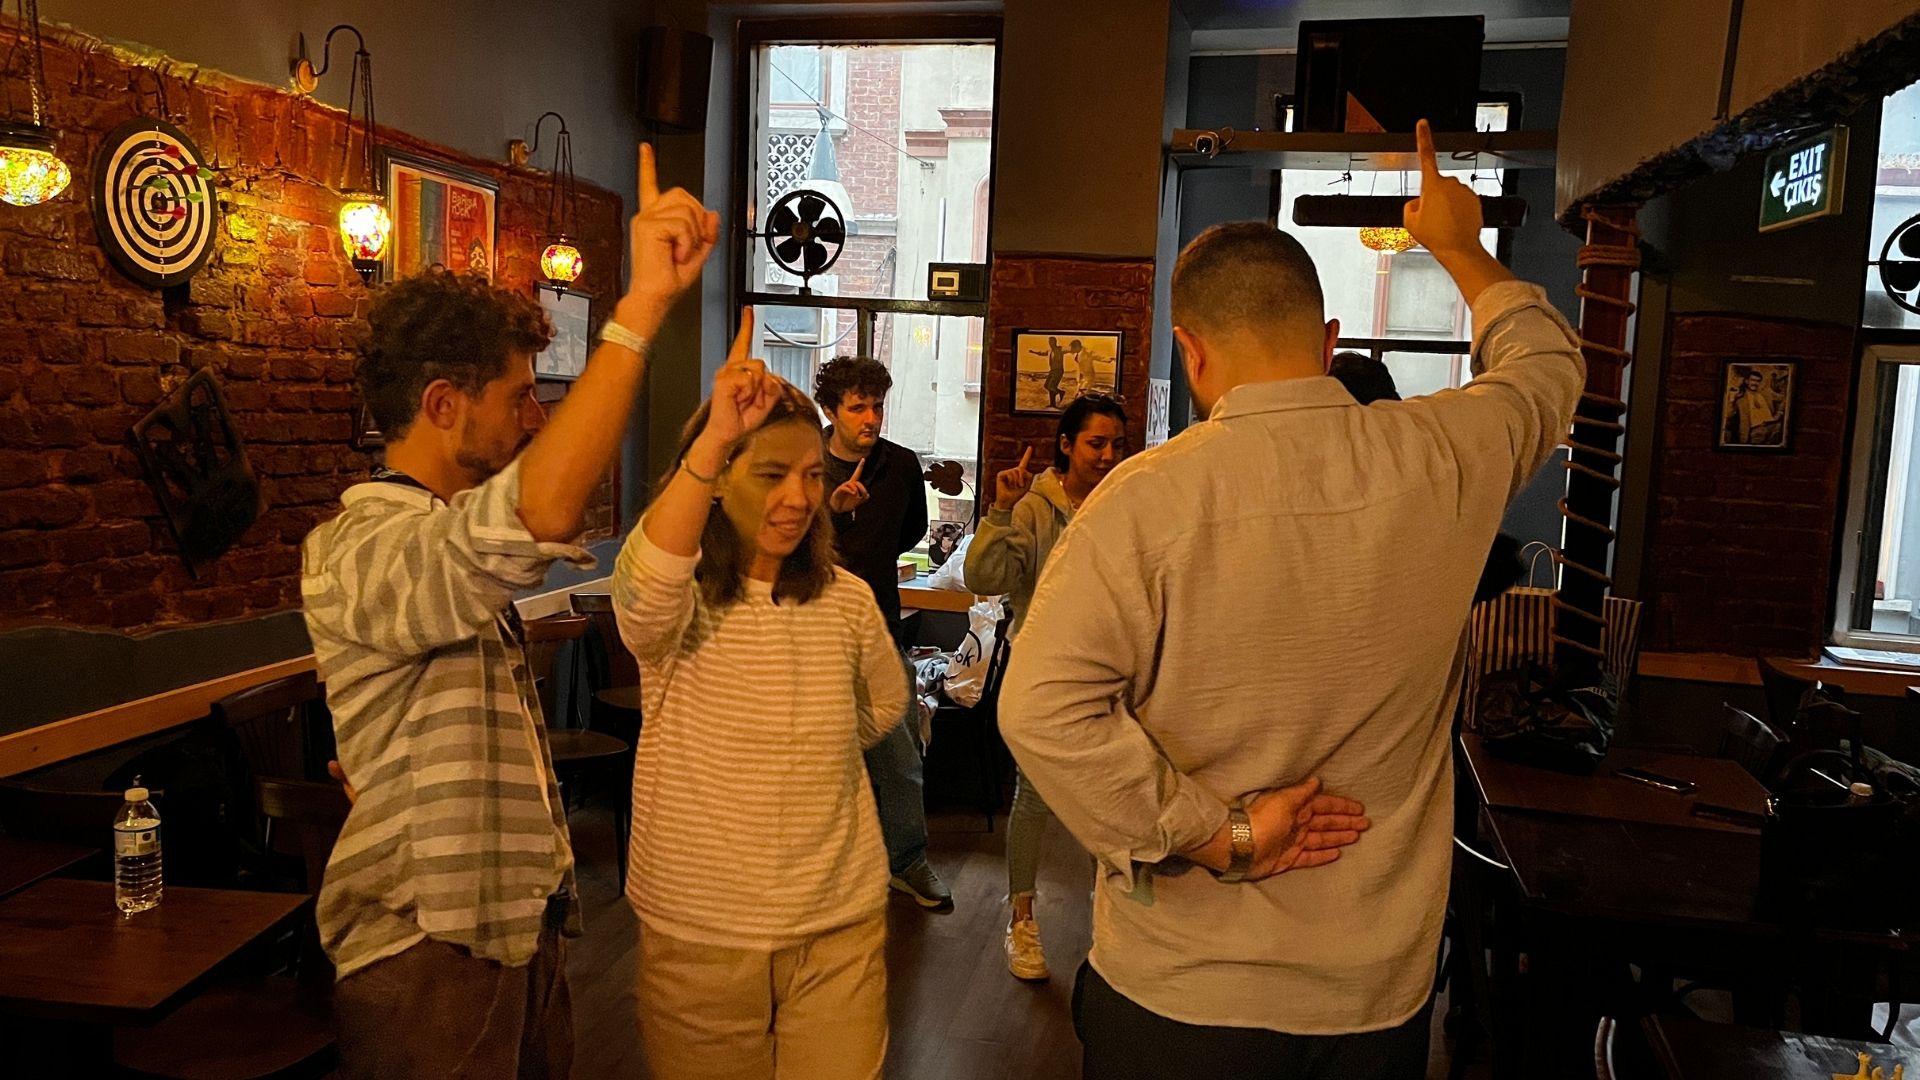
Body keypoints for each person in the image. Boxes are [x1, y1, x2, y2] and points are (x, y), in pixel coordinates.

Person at [998, 120, 1584, 1078]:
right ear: (1328, 341)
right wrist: (1459, 245)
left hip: (1180, 987)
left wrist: (1218, 834)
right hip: (1370, 992)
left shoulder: (1140, 501)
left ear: (1190, 353)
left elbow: (1038, 708)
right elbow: (1549, 366)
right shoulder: (1443, 458)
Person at [302, 145, 717, 1080]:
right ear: (444, 404)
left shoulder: (428, 537)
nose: (535, 418)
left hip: (505, 933)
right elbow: (540, 512)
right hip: (428, 950)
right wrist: (641, 308)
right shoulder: (355, 545)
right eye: (521, 395)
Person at [611, 318, 907, 1080]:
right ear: (715, 479)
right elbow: (643, 594)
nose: (797, 498)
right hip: (699, 926)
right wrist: (715, 436)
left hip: (837, 918)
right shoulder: (680, 603)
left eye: (810, 476)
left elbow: (884, 704)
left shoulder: (845, 599)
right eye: (771, 475)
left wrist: (803, 747)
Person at [963, 394, 1128, 981]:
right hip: (1044, 670)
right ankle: (1022, 920)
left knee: (1110, 793)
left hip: (1111, 670)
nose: (1106, 456)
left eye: (1115, 445)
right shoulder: (1035, 508)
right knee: (1034, 796)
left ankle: (1113, 914)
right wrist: (999, 512)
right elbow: (983, 577)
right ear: (1066, 445)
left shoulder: (1122, 500)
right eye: (1095, 443)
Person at [813, 356, 951, 909]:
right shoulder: (806, 465)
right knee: (817, 760)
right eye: (857, 408)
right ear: (831, 411)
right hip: (812, 634)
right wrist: (835, 512)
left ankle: (908, 862)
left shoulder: (901, 465)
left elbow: (910, 532)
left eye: (877, 406)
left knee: (899, 756)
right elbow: (783, 544)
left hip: (882, 629)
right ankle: (823, 871)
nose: (871, 417)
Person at [1727, 365, 1784, 445]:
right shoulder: (1740, 398)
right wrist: (1732, 399)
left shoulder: (1765, 395)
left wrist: (1779, 412)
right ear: (1747, 381)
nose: (1755, 383)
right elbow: (1729, 416)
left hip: (1771, 427)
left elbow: (1783, 398)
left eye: (1758, 381)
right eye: (1753, 380)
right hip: (1754, 431)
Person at [1030, 336, 1066, 409]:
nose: (1050, 343)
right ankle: (1052, 404)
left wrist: (1074, 347)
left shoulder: (1060, 349)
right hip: (1052, 371)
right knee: (1047, 386)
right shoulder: (1049, 351)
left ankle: (1061, 392)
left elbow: (1068, 349)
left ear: (1055, 342)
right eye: (1049, 342)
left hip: (1058, 371)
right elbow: (1041, 353)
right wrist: (1034, 352)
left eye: (1051, 342)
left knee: (1051, 386)